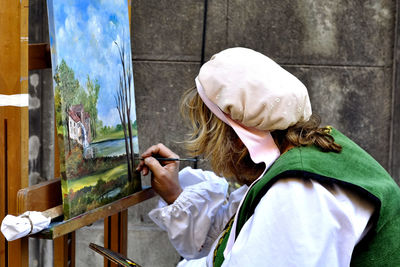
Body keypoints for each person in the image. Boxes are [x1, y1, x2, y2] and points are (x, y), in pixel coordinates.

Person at [136, 47, 400, 266]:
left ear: (236, 137)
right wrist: (176, 195)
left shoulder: (297, 192)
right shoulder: (307, 154)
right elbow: (233, 237)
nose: (207, 150)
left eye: (208, 136)